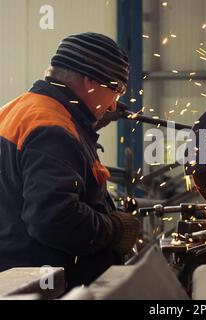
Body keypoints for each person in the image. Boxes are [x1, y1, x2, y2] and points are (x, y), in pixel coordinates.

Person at [0, 32, 140, 288]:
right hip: (48, 289)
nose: (112, 107)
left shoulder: (18, 109)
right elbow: (54, 219)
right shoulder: (52, 128)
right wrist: (115, 229)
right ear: (90, 81)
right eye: (117, 90)